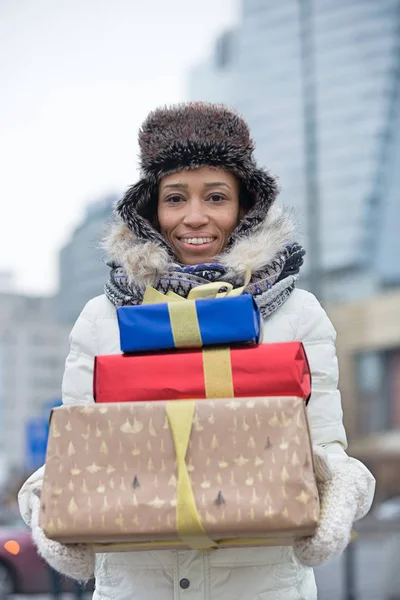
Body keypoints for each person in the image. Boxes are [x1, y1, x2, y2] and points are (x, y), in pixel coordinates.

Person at [18, 103, 375, 600]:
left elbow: (326, 451)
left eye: (215, 197)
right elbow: (77, 448)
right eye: (175, 198)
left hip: (261, 584)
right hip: (137, 585)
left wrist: (339, 491)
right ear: (150, 209)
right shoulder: (102, 319)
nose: (194, 217)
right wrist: (45, 500)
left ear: (244, 206)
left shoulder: (298, 314)